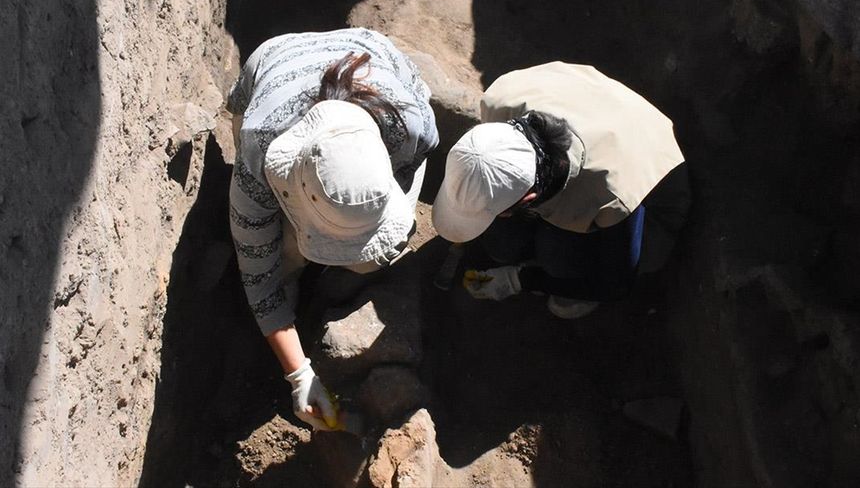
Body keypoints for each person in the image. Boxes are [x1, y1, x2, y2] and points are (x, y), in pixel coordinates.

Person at [227, 28, 438, 431]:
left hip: (372, 51)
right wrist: (299, 374)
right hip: (276, 58)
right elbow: (258, 274)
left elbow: (409, 168)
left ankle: (335, 261)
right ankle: (296, 287)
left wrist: (364, 232)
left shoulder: (411, 127)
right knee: (281, 256)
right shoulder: (259, 156)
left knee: (371, 259)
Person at [432, 62, 685, 318]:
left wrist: (522, 279)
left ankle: (557, 270)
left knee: (557, 257)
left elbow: (616, 283)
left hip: (650, 199)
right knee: (502, 244)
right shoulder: (501, 102)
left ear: (528, 199)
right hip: (594, 108)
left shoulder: (612, 195)